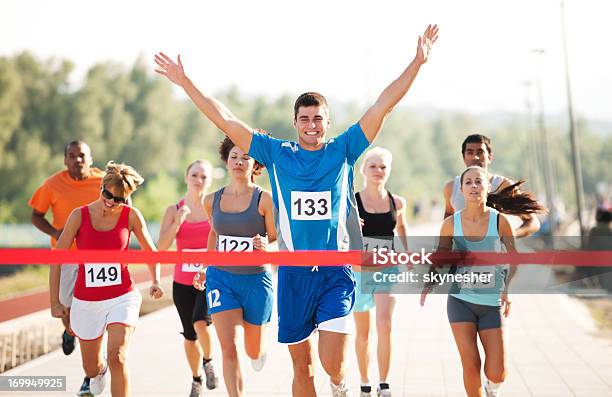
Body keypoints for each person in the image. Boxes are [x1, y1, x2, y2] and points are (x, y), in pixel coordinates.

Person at [155, 23, 438, 396]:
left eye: (318, 118)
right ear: (295, 123)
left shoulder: (344, 149)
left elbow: (383, 104)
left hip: (335, 271)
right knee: (302, 369)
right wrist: (186, 81)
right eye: (304, 118)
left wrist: (417, 62)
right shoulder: (275, 154)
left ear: (327, 122)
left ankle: (339, 384)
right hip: (292, 274)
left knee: (331, 362)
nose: (311, 125)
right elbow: (224, 118)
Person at [422, 166, 546, 397]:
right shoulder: (450, 224)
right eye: (468, 182)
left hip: (491, 302)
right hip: (460, 301)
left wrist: (506, 290)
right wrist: (429, 282)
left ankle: (492, 387)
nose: (473, 186)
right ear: (461, 190)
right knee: (471, 366)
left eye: (479, 182)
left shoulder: (499, 222)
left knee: (497, 372)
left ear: (488, 188)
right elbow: (441, 255)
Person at [50, 161, 164, 397]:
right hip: (86, 301)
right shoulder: (79, 216)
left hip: (122, 297)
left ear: (127, 198)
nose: (111, 201)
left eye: (119, 199)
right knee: (91, 368)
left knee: (118, 357)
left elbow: (150, 251)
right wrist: (55, 302)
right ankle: (98, 372)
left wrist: (156, 280)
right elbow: (57, 259)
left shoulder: (131, 216)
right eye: (107, 194)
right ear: (101, 187)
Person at [192, 136, 276, 397]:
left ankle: (259, 349)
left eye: (246, 157)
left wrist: (265, 243)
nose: (239, 162)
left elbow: (276, 238)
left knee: (252, 350)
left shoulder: (265, 200)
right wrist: (205, 265)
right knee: (228, 348)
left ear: (255, 164)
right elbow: (214, 234)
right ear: (226, 161)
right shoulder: (211, 200)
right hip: (222, 279)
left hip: (256, 281)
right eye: (234, 157)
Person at [31, 140, 104, 396]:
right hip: (64, 256)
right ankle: (69, 330)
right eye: (71, 156)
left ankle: (90, 373)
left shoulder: (104, 182)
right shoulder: (52, 184)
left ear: (91, 158)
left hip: (95, 258)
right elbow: (35, 214)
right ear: (65, 160)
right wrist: (54, 232)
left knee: (90, 314)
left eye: (82, 155)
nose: (77, 160)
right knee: (63, 304)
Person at [157, 160, 219, 396]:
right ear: (186, 177)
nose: (199, 180)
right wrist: (178, 222)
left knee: (200, 322)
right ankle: (196, 379)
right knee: (190, 335)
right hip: (182, 282)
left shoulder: (214, 207)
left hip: (208, 278)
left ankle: (209, 361)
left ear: (210, 181)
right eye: (194, 175)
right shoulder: (174, 210)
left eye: (204, 177)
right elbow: (161, 247)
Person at [353, 147, 408, 397]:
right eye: (373, 166)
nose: (378, 171)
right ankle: (364, 382)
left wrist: (406, 256)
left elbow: (402, 229)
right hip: (359, 271)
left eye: (383, 167)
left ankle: (383, 384)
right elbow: (340, 234)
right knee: (363, 333)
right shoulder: (352, 202)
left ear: (389, 171)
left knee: (384, 324)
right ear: (363, 170)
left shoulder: (397, 202)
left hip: (387, 269)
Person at [443, 134, 540, 238]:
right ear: (463, 157)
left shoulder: (503, 185)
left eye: (480, 152)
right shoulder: (451, 187)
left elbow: (533, 222)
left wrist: (510, 235)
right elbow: (448, 220)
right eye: (470, 152)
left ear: (490, 157)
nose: (475, 157)